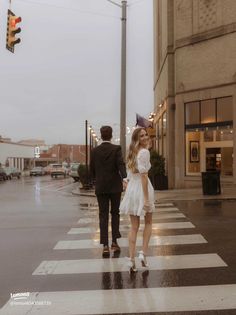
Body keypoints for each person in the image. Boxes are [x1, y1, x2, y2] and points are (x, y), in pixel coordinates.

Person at [120, 127, 155, 272]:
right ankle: (143, 253)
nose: (146, 137)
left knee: (134, 227)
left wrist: (127, 184)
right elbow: (144, 176)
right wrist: (146, 199)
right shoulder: (144, 152)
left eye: (146, 134)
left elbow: (127, 177)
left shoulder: (132, 153)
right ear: (137, 139)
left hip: (132, 189)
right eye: (142, 136)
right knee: (148, 222)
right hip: (142, 188)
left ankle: (131, 260)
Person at [90, 126, 127, 257]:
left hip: (101, 187)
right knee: (115, 213)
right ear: (111, 136)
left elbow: (92, 169)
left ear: (101, 136)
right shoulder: (116, 149)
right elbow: (120, 164)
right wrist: (125, 177)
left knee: (103, 215)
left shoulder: (94, 151)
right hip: (115, 187)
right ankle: (115, 242)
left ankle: (105, 245)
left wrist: (94, 182)